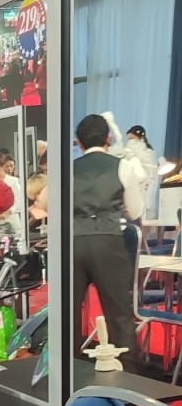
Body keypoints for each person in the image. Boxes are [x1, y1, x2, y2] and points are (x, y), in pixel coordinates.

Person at [72, 112, 145, 364]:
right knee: (119, 315)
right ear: (109, 138)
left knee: (68, 314)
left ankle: (68, 373)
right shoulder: (123, 166)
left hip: (73, 242)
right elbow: (135, 211)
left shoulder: (67, 169)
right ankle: (127, 377)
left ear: (79, 143)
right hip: (108, 241)